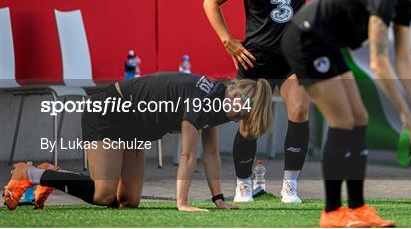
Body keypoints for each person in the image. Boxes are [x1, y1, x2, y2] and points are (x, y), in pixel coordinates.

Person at [281, 0, 411, 227]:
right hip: (305, 40)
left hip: (329, 45)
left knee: (360, 117)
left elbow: (404, 60)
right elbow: (378, 62)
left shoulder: (404, 2)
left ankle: (358, 209)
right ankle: (332, 213)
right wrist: (405, 114)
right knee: (342, 120)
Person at [203, 0, 330, 203]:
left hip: (292, 63)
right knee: (250, 124)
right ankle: (244, 184)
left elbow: (329, 0)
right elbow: (210, 2)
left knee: (299, 110)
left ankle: (290, 186)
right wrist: (227, 40)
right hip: (254, 63)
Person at [4, 73, 273, 211]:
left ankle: (53, 175)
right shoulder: (203, 100)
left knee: (127, 201)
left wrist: (218, 200)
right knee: (103, 194)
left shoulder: (223, 103)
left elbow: (211, 154)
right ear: (236, 92)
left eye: (243, 116)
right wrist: (182, 203)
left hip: (136, 128)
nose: (238, 118)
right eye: (241, 111)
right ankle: (29, 173)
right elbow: (189, 156)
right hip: (109, 110)